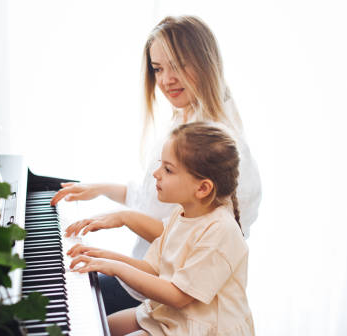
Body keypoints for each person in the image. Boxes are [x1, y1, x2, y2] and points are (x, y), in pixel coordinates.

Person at [51, 15, 261, 315]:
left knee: (63, 309)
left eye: (177, 65)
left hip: (167, 295)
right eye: (158, 69)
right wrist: (98, 189)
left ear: (205, 62)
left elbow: (195, 238)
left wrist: (122, 218)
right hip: (147, 274)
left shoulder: (219, 143)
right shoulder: (183, 117)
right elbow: (153, 197)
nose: (165, 80)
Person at [68, 122, 255, 336]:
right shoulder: (183, 214)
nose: (156, 174)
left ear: (202, 188)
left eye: (168, 170)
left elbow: (177, 296)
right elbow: (153, 269)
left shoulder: (221, 231)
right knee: (99, 330)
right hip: (174, 320)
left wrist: (115, 267)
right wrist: (103, 256)